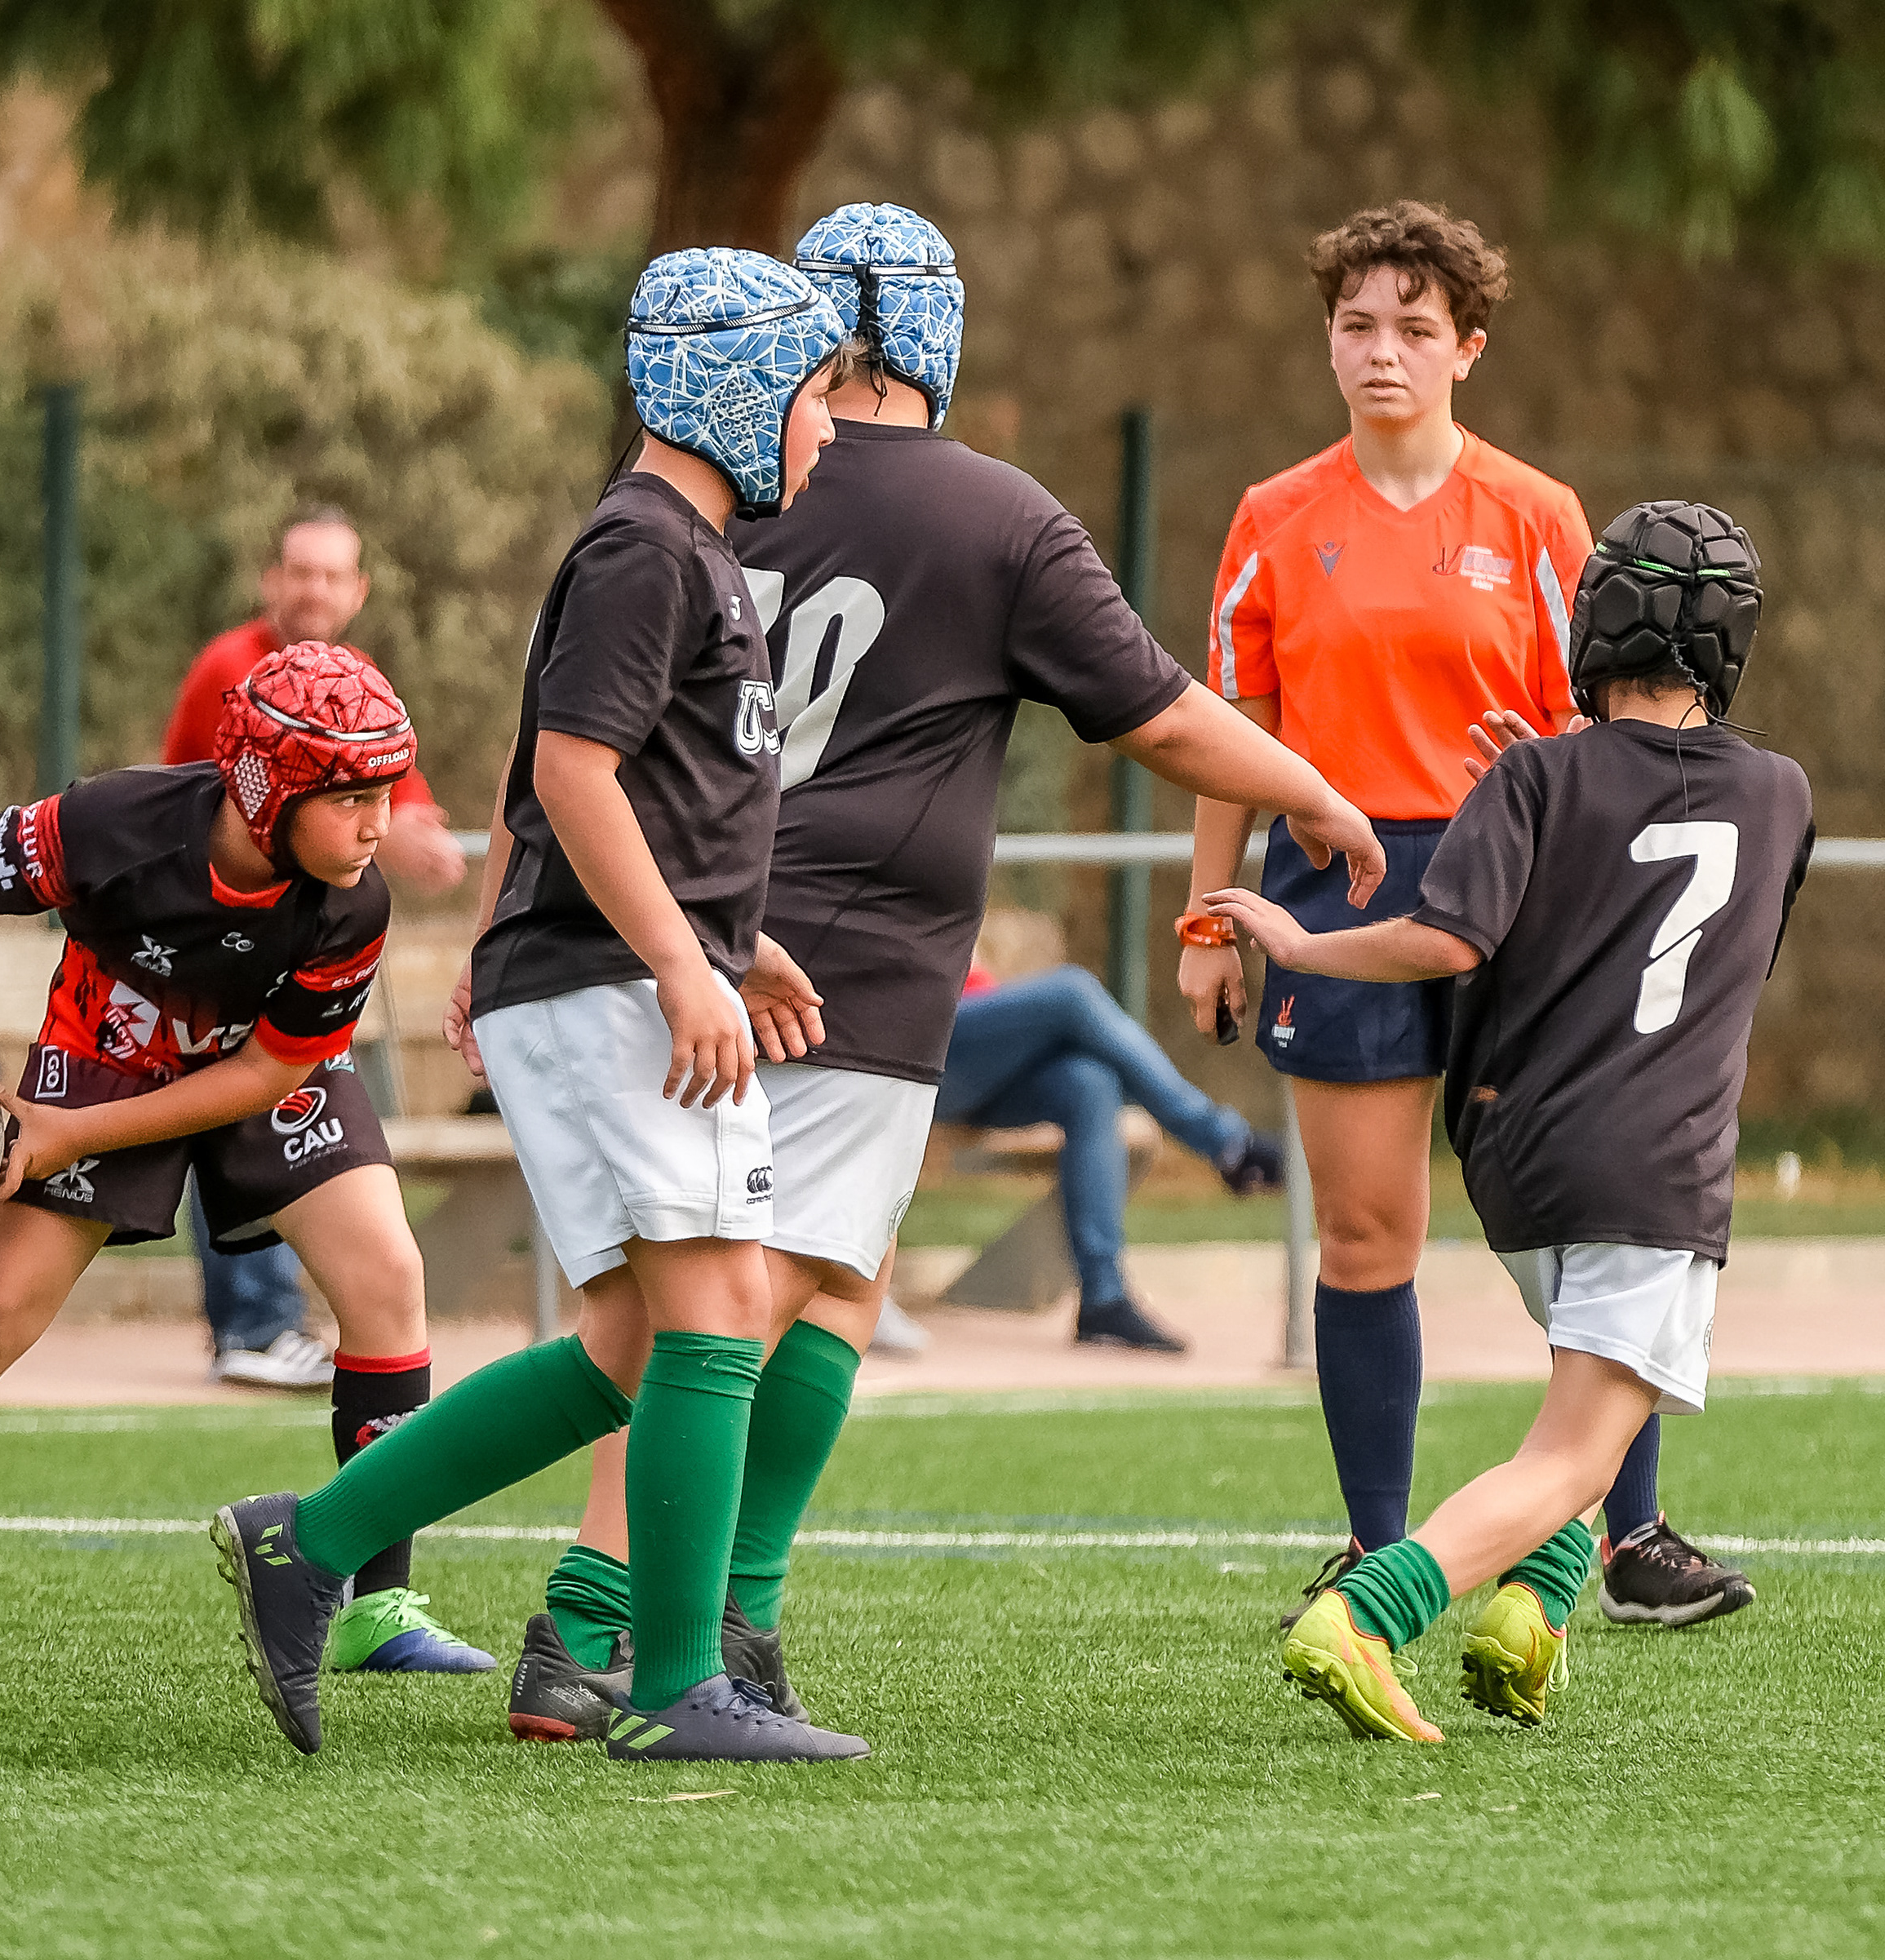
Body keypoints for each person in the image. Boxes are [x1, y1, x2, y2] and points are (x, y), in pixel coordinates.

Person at [496, 206, 1385, 1751]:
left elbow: (567, 729)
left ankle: (704, 1617)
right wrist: (1311, 787)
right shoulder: (990, 512)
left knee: (783, 1288)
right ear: (926, 328)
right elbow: (1161, 714)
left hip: (681, 930)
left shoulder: (701, 483)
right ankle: (606, 1620)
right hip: (837, 962)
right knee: (741, 1306)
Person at [206, 246, 869, 1766]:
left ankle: (311, 1545)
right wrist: (683, 964)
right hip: (604, 984)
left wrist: (729, 941)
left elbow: (650, 793)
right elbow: (569, 773)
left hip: (612, 972)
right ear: (736, 388)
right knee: (719, 1311)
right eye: (813, 390)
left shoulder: (688, 549)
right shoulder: (647, 547)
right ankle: (677, 1688)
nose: (829, 425)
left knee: (636, 1341)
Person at [1189, 201, 1754, 1631]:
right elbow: (1232, 738)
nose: (1381, 350)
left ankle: (1632, 1538)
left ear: (1469, 347)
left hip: (1528, 875)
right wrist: (1207, 922)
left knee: (1597, 1209)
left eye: (1414, 327)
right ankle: (1376, 1547)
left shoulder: (1540, 515)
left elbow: (1608, 729)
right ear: (1328, 340)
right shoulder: (1272, 517)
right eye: (1356, 324)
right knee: (1367, 1237)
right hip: (1337, 884)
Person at [0, 640, 495, 1678]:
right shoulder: (113, 823)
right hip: (106, 1053)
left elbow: (269, 1073)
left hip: (262, 1067)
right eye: (353, 797)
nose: (379, 823)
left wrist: (71, 1136)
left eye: (386, 792)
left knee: (388, 1276)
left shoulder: (354, 900)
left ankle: (379, 1604)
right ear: (267, 789)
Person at [1206, 500, 1807, 1740]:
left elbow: (1450, 939)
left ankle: (1527, 1617)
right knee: (1576, 1453)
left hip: (1522, 1158)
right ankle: (1369, 1614)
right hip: (1656, 1168)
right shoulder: (1781, 792)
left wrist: (1313, 937)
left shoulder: (1533, 775)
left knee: (1595, 1405)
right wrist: (1305, 945)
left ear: (1593, 627)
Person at [160, 507, 467, 1389]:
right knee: (236, 1110)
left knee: (289, 1110)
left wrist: (415, 827)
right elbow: (250, 791)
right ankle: (252, 1324)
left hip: (302, 944)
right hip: (215, 938)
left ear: (359, 590)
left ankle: (283, 1321)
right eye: (301, 572)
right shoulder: (234, 666)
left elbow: (391, 785)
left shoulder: (351, 676)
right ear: (272, 581)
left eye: (333, 575)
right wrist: (391, 833)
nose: (315, 590)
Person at [936, 959, 1288, 1352]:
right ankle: (1229, 1145)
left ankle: (1103, 1299)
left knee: (1090, 1084)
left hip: (974, 1058)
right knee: (1072, 992)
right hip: (912, 1049)